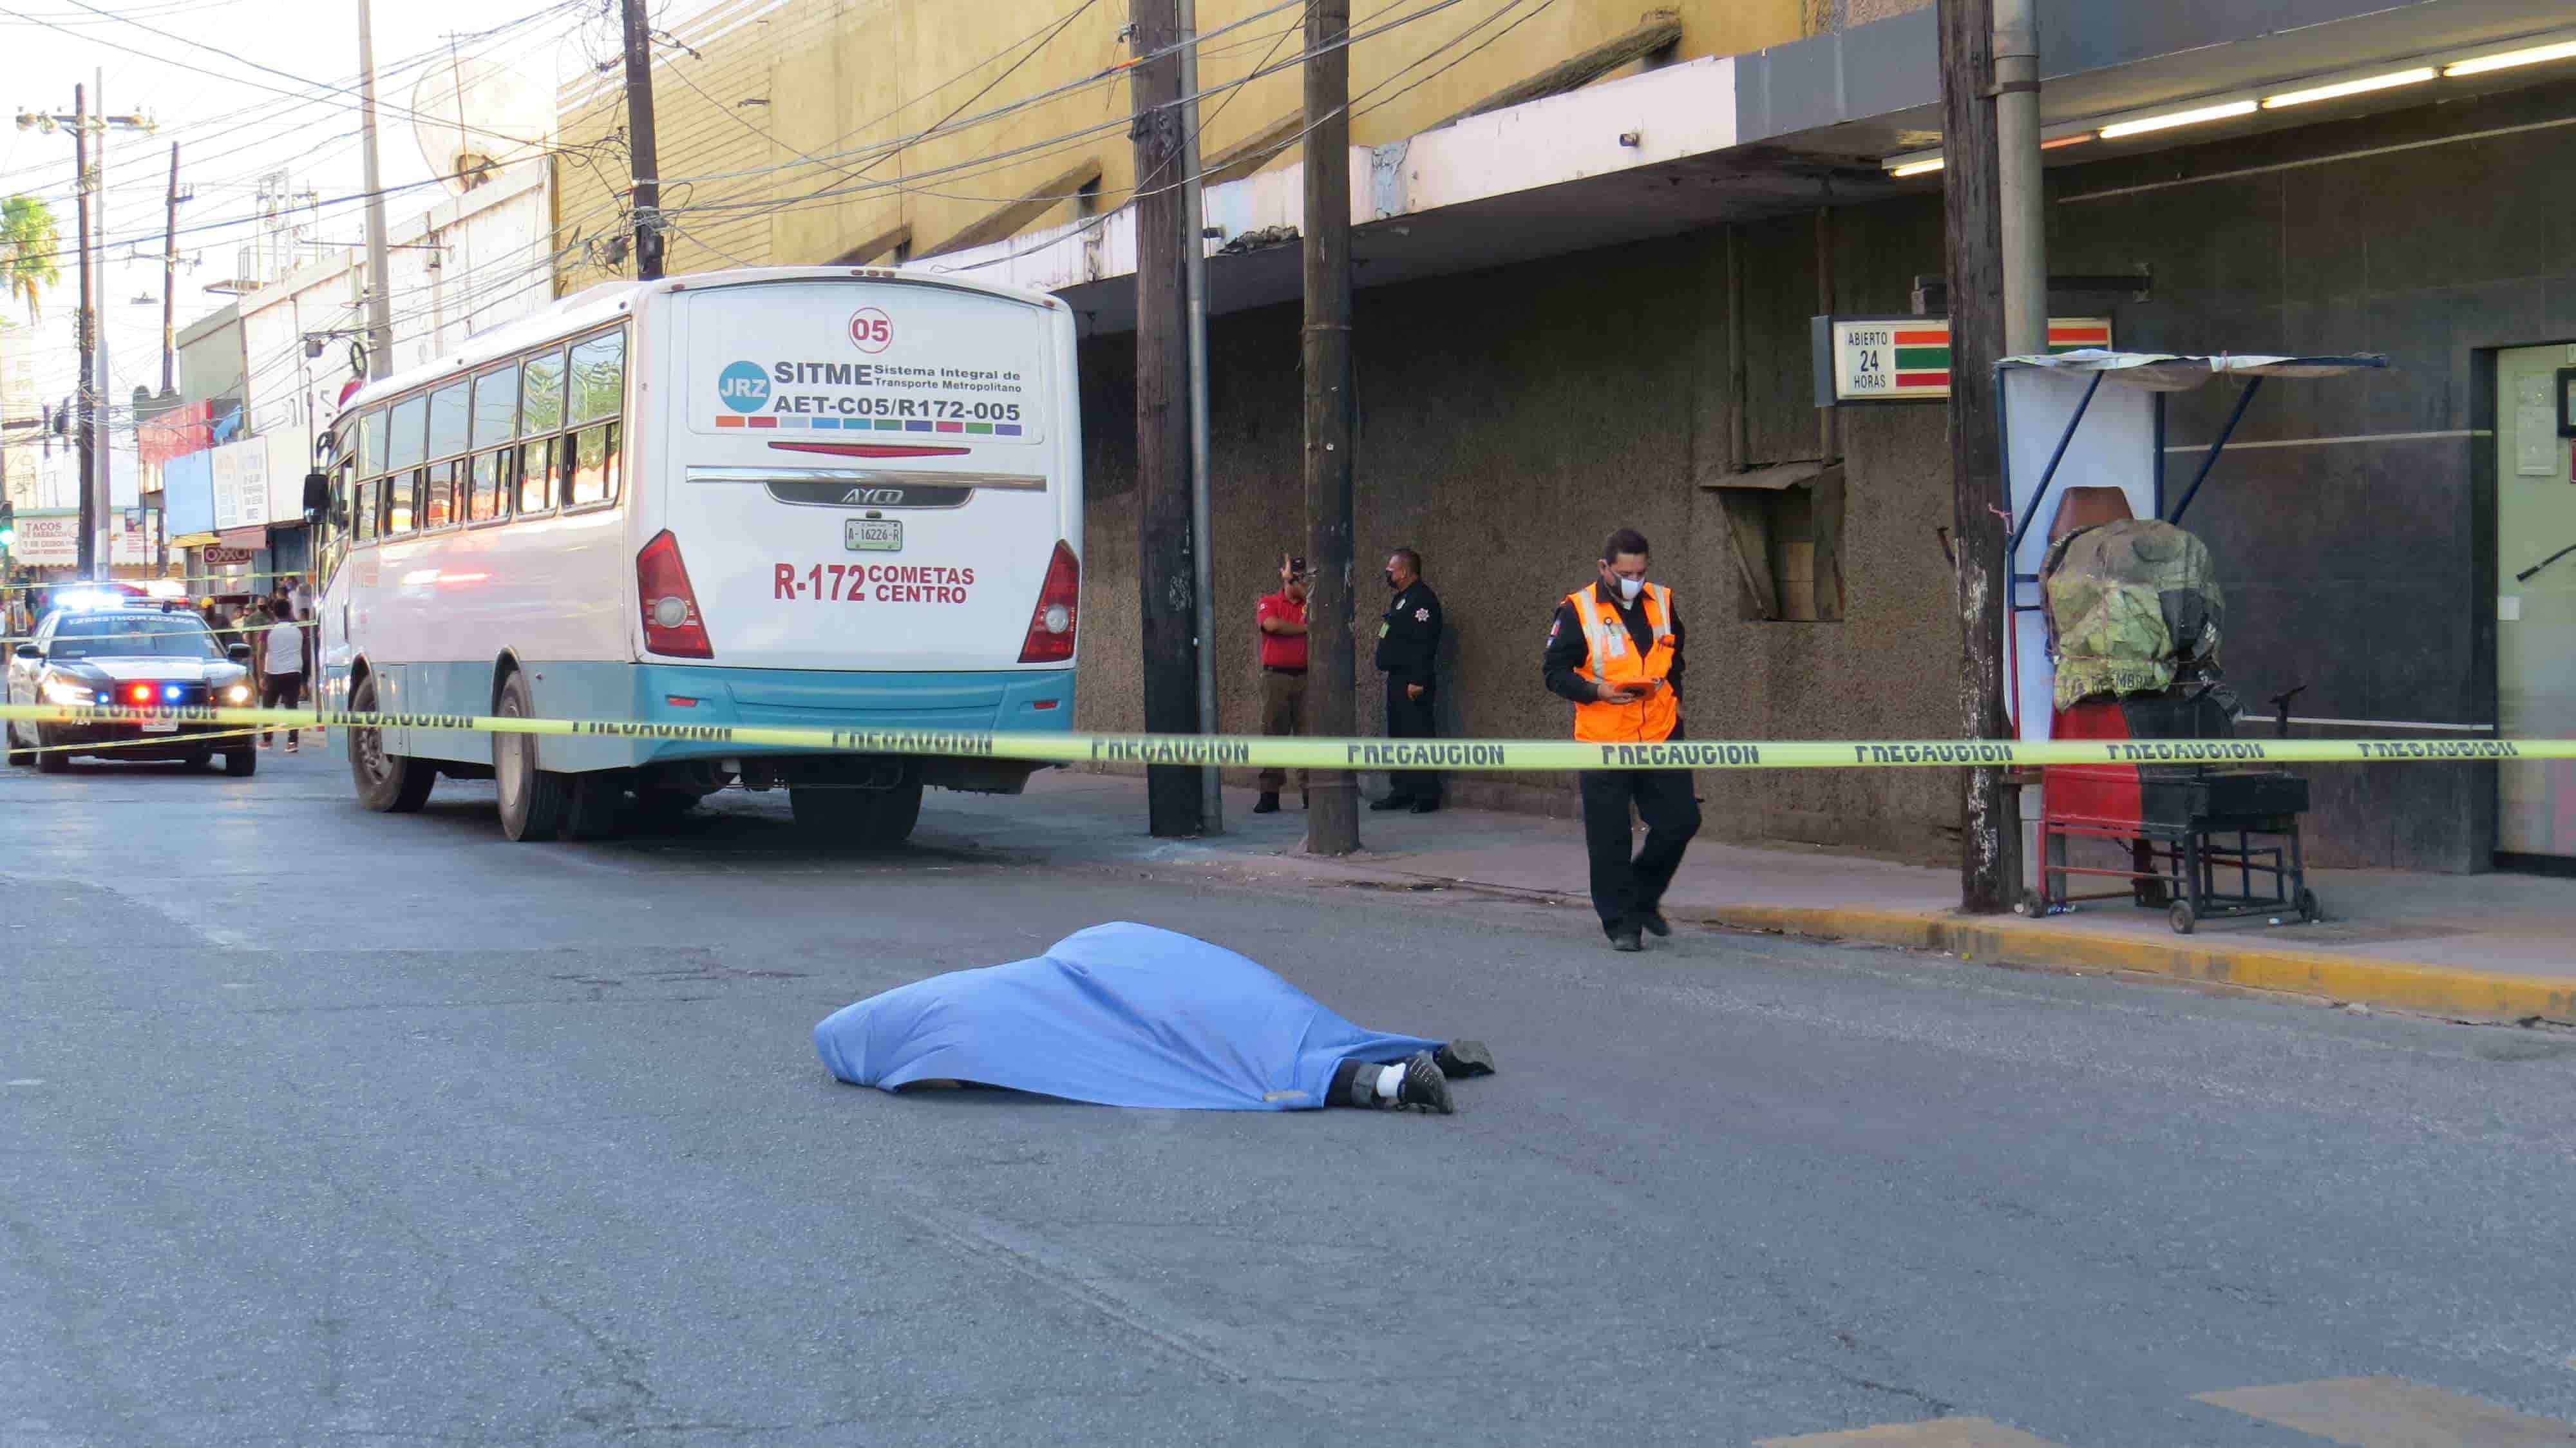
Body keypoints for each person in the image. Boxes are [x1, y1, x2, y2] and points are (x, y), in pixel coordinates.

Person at [814, 921, 1495, 1114]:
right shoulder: (970, 999)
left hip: (1127, 993)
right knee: (1274, 1022)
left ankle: (1388, 1083)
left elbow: (983, 1066)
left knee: (1232, 1067)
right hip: (1137, 955)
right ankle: (1416, 1056)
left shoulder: (951, 1032)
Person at [1542, 528, 1703, 952]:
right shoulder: (1578, 610)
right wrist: (1599, 692)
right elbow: (1554, 673)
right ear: (1604, 568)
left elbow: (1675, 657)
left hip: (1660, 733)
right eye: (1625, 573)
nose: (1634, 580)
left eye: (1641, 572)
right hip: (1605, 739)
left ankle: (1643, 896)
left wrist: (1678, 699)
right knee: (1611, 836)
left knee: (1681, 821)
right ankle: (1620, 923)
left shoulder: (1662, 601)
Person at [1373, 546, 1442, 813]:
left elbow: (1424, 644)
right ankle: (1402, 790)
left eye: (1391, 570)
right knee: (1399, 736)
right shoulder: (1402, 599)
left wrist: (1418, 679)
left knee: (1418, 735)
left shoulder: (1422, 600)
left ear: (1404, 572)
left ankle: (1426, 794)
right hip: (1397, 678)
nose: (1387, 574)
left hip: (1413, 680)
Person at [1253, 553, 1309, 815]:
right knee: (1273, 734)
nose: (1300, 582)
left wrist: (1308, 594)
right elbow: (1272, 626)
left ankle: (1311, 792)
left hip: (1307, 677)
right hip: (1276, 677)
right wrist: (1307, 628)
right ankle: (1269, 794)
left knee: (1307, 737)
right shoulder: (1269, 602)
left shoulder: (1311, 605)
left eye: (1303, 578)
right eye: (1297, 577)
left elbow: (1323, 616)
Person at [256, 601, 307, 752]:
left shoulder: (268, 630)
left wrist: (261, 677)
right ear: (290, 610)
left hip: (273, 673)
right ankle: (293, 743)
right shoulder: (299, 628)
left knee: (268, 708)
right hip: (294, 672)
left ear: (273, 612)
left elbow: (260, 654)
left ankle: (267, 741)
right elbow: (304, 646)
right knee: (292, 708)